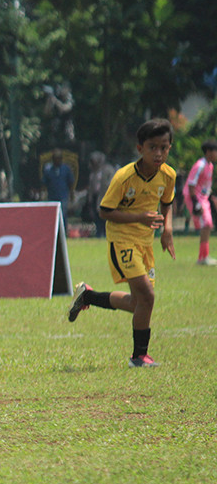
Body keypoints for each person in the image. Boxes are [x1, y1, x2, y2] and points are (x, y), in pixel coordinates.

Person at [68, 118, 176, 367]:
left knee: (137, 303)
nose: (158, 153)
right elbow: (104, 211)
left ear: (169, 147)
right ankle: (139, 357)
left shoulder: (168, 175)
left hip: (145, 243)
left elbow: (167, 202)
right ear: (140, 148)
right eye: (152, 147)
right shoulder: (124, 177)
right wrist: (139, 217)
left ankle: (88, 296)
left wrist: (167, 230)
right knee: (147, 296)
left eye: (163, 147)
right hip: (122, 241)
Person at [182, 139, 217, 265]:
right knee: (206, 224)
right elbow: (191, 184)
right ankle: (202, 258)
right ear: (208, 152)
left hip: (203, 198)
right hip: (195, 197)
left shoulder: (210, 166)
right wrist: (195, 202)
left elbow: (206, 186)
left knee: (207, 225)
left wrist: (211, 197)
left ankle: (204, 256)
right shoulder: (200, 165)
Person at [85, 151, 115, 238]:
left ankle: (106, 234)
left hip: (105, 197)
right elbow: (91, 186)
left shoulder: (108, 170)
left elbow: (112, 182)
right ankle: (99, 233)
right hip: (96, 197)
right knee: (97, 216)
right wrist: (90, 198)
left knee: (105, 216)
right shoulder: (93, 171)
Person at [43, 149, 75, 231]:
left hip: (63, 196)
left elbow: (71, 182)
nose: (57, 160)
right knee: (52, 215)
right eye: (55, 158)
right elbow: (44, 183)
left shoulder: (66, 169)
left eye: (59, 158)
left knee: (63, 214)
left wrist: (71, 194)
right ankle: (53, 231)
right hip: (52, 196)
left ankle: (63, 231)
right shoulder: (48, 169)